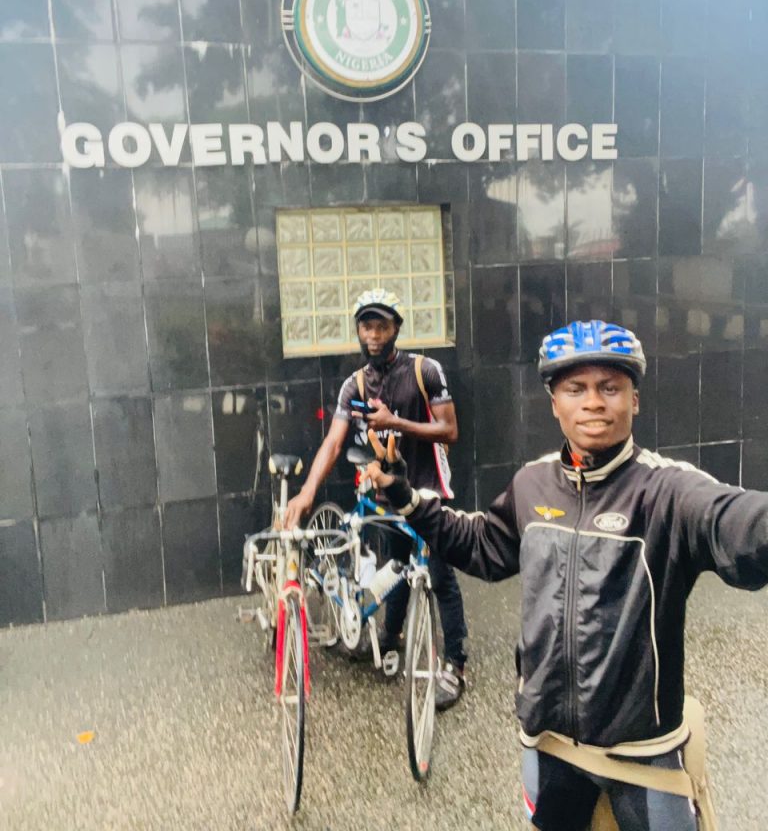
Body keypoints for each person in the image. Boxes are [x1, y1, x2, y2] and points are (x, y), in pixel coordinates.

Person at [368, 319, 768, 831]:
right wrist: (406, 498)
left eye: (611, 388)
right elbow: (484, 546)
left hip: (643, 750)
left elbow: (735, 520)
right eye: (575, 389)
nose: (594, 402)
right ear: (554, 402)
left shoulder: (669, 492)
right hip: (548, 741)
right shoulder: (532, 484)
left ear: (635, 400)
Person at [284, 288, 470, 710]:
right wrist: (306, 493)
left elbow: (450, 431)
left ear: (396, 329)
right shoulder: (354, 384)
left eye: (381, 325)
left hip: (428, 491)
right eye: (366, 325)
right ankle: (390, 638)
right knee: (397, 567)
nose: (372, 334)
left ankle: (455, 664)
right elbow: (333, 442)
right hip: (388, 494)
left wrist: (395, 422)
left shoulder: (426, 370)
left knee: (439, 577)